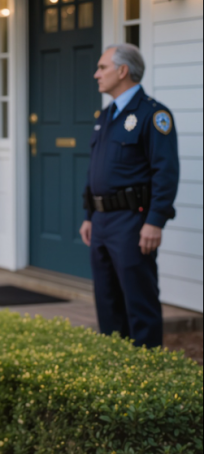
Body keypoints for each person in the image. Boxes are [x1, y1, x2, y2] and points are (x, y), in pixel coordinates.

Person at [79, 44, 179, 348]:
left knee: (139, 299)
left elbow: (166, 171)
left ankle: (146, 371)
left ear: (123, 71)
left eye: (102, 67)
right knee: (107, 300)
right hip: (102, 222)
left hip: (133, 222)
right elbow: (95, 170)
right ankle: (116, 368)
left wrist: (155, 221)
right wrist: (89, 216)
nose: (96, 74)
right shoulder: (106, 115)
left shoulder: (153, 114)